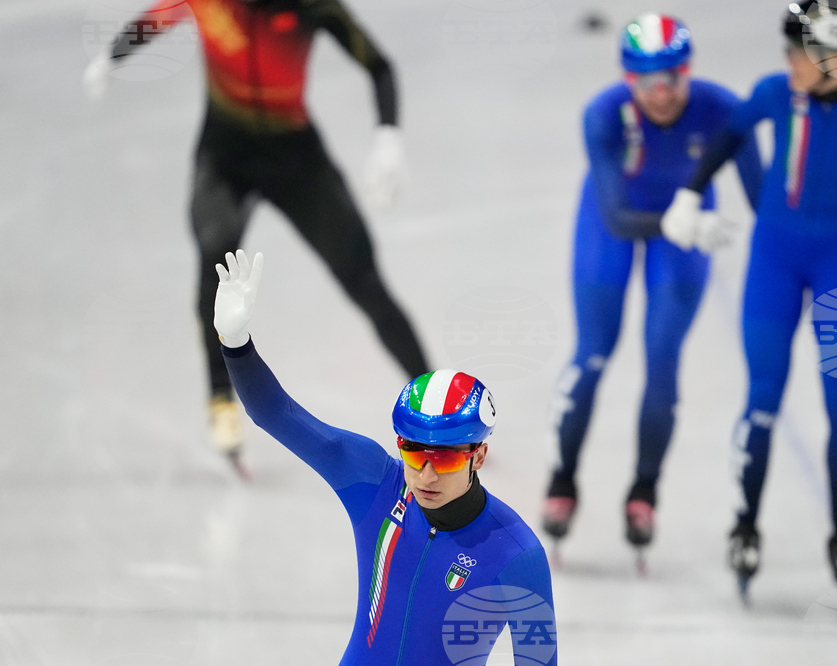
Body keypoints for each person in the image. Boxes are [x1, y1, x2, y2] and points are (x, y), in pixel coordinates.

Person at [83, 0, 429, 477]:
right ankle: (220, 397)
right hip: (225, 160)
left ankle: (432, 396)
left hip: (297, 162)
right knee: (215, 257)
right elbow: (159, 17)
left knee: (363, 279)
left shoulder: (311, 6)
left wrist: (389, 137)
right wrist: (113, 55)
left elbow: (378, 65)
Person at [662, 0, 837, 595]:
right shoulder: (775, 93)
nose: (788, 61)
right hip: (774, 263)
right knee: (762, 399)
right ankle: (745, 525)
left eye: (799, 52)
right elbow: (730, 135)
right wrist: (689, 194)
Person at [213, 249, 557, 665]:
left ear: (479, 456)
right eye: (413, 453)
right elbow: (276, 413)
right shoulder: (375, 484)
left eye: (445, 460)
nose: (426, 474)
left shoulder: (517, 554)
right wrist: (236, 344)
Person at [541, 14, 763, 563]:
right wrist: (676, 223)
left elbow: (763, 201)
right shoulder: (602, 114)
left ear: (689, 72)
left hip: (687, 228)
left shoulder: (723, 109)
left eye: (672, 79)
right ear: (628, 80)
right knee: (593, 354)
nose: (660, 94)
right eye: (646, 82)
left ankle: (644, 489)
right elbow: (617, 217)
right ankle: (563, 477)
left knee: (662, 364)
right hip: (617, 224)